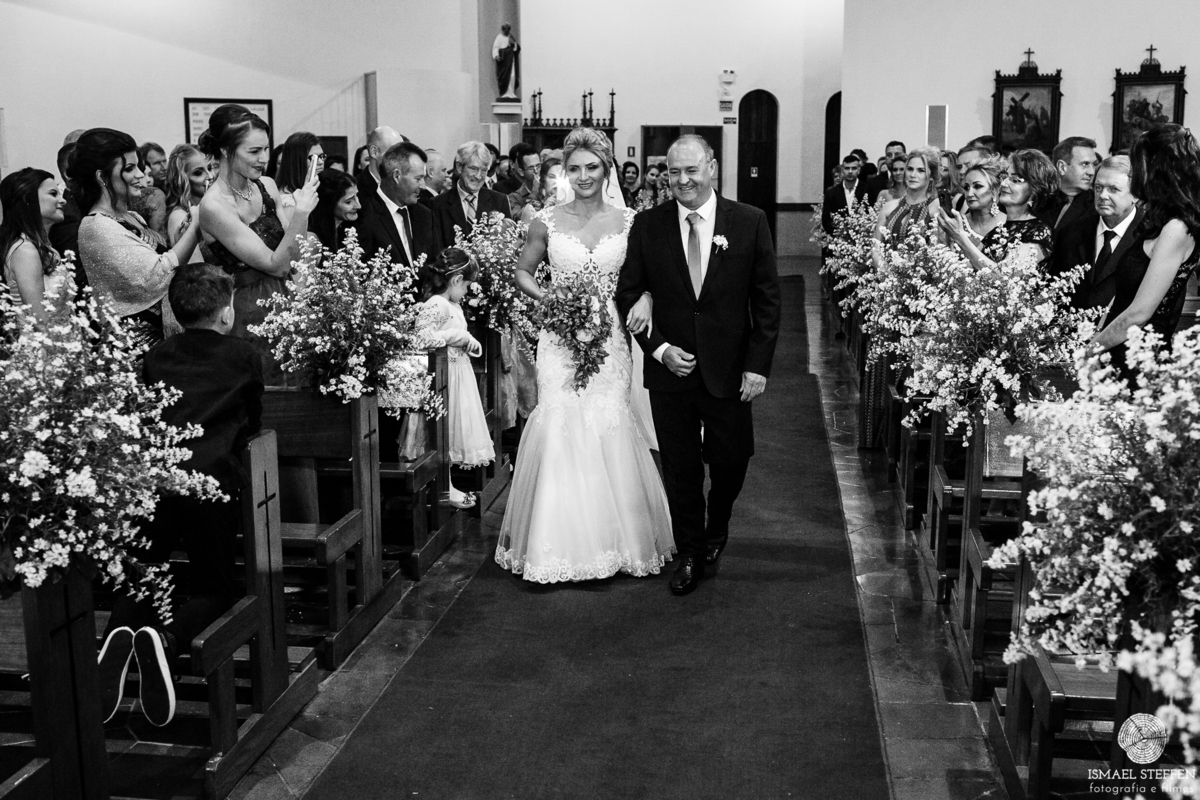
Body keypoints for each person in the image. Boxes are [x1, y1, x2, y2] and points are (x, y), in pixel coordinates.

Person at [496, 127, 675, 583]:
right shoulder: (546, 221)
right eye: (573, 168)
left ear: (606, 168)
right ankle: (558, 545)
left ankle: (617, 542)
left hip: (612, 338)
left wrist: (646, 298)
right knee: (561, 419)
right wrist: (550, 300)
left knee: (608, 417)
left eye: (591, 167)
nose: (583, 176)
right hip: (559, 337)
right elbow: (522, 271)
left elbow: (652, 276)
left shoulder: (632, 221)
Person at [96, 263, 264, 727]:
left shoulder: (156, 355)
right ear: (226, 312)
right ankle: (166, 638)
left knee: (145, 575)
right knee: (215, 588)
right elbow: (253, 419)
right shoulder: (244, 355)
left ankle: (115, 638)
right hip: (211, 484)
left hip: (155, 483)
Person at [615, 133, 781, 596]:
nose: (683, 180)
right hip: (671, 370)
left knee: (732, 460)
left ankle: (717, 525)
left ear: (712, 168)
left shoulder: (748, 221)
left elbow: (767, 301)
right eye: (674, 172)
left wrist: (757, 366)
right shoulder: (648, 225)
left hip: (730, 369)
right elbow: (628, 292)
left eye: (691, 170)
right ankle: (689, 550)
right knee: (680, 467)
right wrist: (659, 349)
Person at [197, 104, 317, 384]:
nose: (264, 159)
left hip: (286, 297)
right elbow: (276, 264)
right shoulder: (214, 206)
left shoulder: (267, 185)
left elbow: (294, 251)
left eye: (266, 149)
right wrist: (301, 213)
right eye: (253, 151)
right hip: (244, 311)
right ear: (225, 150)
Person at [73, 128, 201, 344]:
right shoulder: (96, 226)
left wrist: (182, 237)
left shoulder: (131, 216)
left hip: (160, 336)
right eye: (129, 168)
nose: (141, 175)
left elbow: (158, 265)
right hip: (134, 345)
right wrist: (196, 227)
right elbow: (155, 276)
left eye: (139, 166)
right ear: (102, 177)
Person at [1090, 124, 1200, 375]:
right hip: (1120, 352)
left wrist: (1091, 349)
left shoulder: (1177, 228)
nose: (1133, 173)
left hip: (1140, 363)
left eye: (1137, 165)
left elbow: (1140, 313)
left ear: (1155, 169)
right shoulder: (1160, 220)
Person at [420, 247, 494, 505]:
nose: (466, 292)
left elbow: (459, 336)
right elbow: (422, 338)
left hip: (458, 375)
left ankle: (447, 485)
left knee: (452, 433)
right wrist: (457, 336)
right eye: (466, 286)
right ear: (455, 280)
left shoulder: (452, 305)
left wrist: (470, 342)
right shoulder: (436, 303)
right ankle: (442, 487)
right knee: (443, 433)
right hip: (444, 378)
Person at [1050, 155, 1144, 310]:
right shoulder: (1070, 233)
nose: (1102, 196)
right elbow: (1055, 289)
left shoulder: (1149, 236)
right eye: (1098, 187)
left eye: (1113, 189)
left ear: (1135, 194)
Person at [939, 150, 1054, 269]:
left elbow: (1003, 276)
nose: (1003, 184)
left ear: (1034, 190)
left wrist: (960, 236)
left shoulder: (1038, 231)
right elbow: (967, 269)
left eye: (1015, 180)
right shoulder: (997, 232)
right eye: (1005, 177)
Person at [1, 168, 73, 324]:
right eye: (53, 194)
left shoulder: (48, 249)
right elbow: (39, 320)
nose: (63, 200)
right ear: (28, 199)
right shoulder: (25, 250)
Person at [352, 142, 439, 267]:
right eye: (418, 178)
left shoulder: (425, 215)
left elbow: (435, 266)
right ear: (396, 176)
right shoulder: (363, 217)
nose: (423, 186)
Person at [428, 141, 513, 245]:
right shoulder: (437, 204)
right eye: (473, 169)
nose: (478, 176)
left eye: (484, 170)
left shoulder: (500, 201)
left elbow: (508, 244)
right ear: (459, 167)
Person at [164, 144, 215, 259]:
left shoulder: (211, 206)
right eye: (198, 173)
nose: (210, 176)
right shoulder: (179, 216)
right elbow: (195, 267)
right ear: (182, 179)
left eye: (210, 168)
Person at [1038, 136, 1098, 233]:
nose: (1091, 172)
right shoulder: (1038, 199)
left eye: (1094, 165)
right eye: (1084, 164)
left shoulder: (1097, 206)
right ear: (1062, 167)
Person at [274, 132, 324, 225]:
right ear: (296, 160)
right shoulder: (288, 199)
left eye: (322, 156)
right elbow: (292, 233)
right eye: (313, 158)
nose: (321, 162)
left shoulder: (321, 185)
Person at [308, 169, 361, 251]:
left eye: (357, 196)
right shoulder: (311, 241)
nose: (358, 206)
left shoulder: (346, 231)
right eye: (348, 202)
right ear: (329, 205)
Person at [822, 153, 869, 237]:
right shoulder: (831, 193)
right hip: (838, 238)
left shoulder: (867, 190)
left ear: (859, 170)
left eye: (854, 168)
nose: (850, 171)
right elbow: (826, 219)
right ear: (842, 170)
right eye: (847, 168)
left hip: (863, 237)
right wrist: (837, 233)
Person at [357, 126, 405, 197]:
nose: (400, 160)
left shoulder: (406, 185)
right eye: (394, 153)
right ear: (374, 152)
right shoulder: (356, 190)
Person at [518, 157, 563, 223]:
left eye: (561, 176)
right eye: (552, 177)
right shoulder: (532, 208)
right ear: (543, 180)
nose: (556, 181)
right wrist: (544, 210)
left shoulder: (574, 204)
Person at [492, 22, 520, 99]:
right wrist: (496, 55)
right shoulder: (499, 37)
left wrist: (514, 44)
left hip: (511, 62)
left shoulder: (511, 37)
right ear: (503, 29)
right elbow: (495, 47)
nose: (507, 31)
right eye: (505, 29)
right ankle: (504, 93)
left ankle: (511, 93)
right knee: (504, 77)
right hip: (503, 63)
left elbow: (517, 48)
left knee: (512, 76)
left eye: (508, 29)